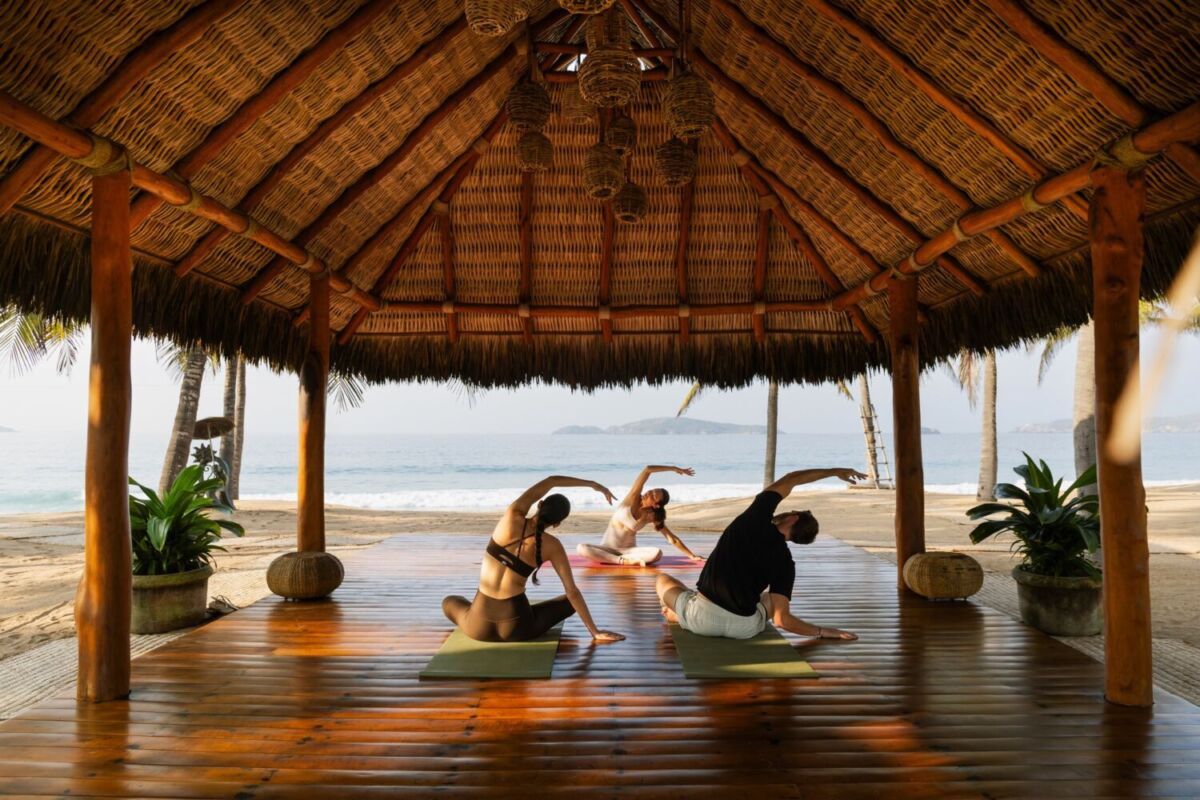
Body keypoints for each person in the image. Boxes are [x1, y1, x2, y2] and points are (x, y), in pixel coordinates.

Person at [654, 467, 866, 641]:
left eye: (791, 512)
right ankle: (683, 615)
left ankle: (681, 617)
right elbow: (783, 620)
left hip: (701, 620)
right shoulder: (786, 563)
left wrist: (835, 471)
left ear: (792, 518)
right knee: (768, 599)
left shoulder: (753, 519)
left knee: (663, 580)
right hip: (744, 629)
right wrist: (822, 631)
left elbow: (791, 479)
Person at [442, 476, 625, 644]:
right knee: (570, 604)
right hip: (517, 628)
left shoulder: (512, 516)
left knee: (450, 601)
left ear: (540, 503)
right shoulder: (553, 546)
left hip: (478, 626)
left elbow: (551, 481)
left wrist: (593, 485)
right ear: (557, 524)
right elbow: (572, 592)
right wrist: (595, 631)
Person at [575, 464, 702, 566]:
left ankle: (620, 559)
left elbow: (671, 538)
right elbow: (647, 470)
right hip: (607, 548)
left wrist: (692, 556)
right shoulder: (632, 498)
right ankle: (620, 561)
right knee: (581, 548)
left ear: (656, 505)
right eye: (651, 490)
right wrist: (674, 468)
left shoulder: (652, 515)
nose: (649, 493)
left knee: (657, 553)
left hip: (629, 551)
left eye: (653, 495)